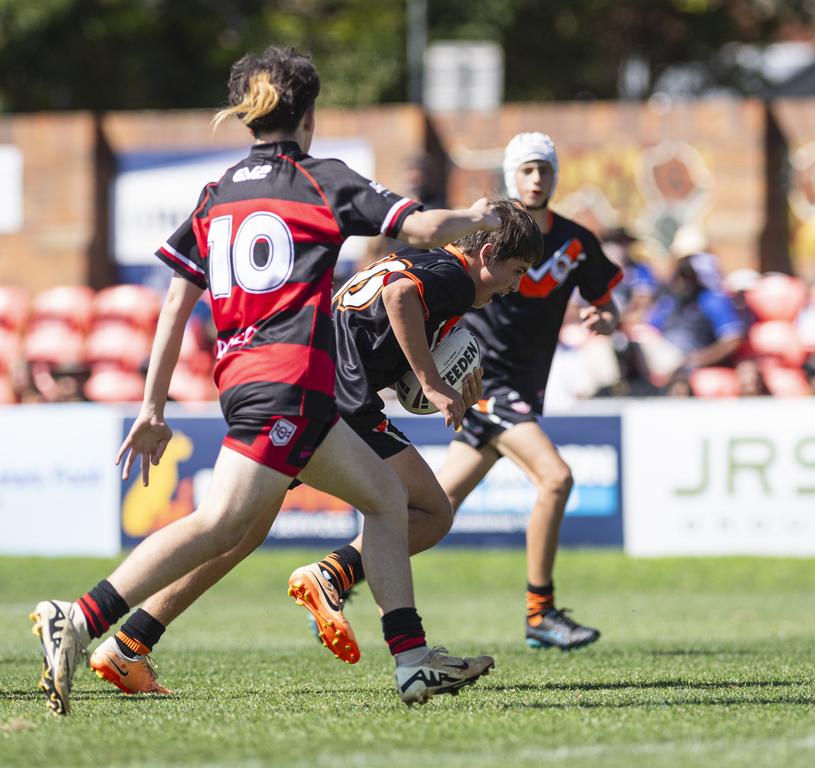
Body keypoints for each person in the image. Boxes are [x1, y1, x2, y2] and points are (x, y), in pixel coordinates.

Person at [30, 45, 502, 715]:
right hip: (292, 379)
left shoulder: (217, 192)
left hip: (248, 379)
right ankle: (76, 618)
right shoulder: (319, 179)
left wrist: (152, 405)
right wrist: (479, 219)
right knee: (224, 523)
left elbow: (175, 301)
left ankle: (413, 659)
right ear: (308, 115)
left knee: (384, 501)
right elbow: (420, 227)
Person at [87, 199, 543, 693]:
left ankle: (129, 643)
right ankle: (340, 582)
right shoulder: (453, 276)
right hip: (340, 401)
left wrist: (433, 375)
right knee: (430, 510)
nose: (515, 286)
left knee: (237, 533)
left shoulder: (425, 258)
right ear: (488, 253)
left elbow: (390, 307)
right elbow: (399, 298)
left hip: (308, 385)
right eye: (516, 272)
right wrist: (432, 382)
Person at [439, 132, 622, 650]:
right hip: (485, 382)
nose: (537, 179)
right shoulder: (485, 231)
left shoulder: (575, 241)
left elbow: (608, 301)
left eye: (544, 169)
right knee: (556, 478)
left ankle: (337, 572)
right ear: (509, 176)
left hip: (521, 388)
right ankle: (540, 613)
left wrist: (605, 318)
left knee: (432, 507)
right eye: (527, 170)